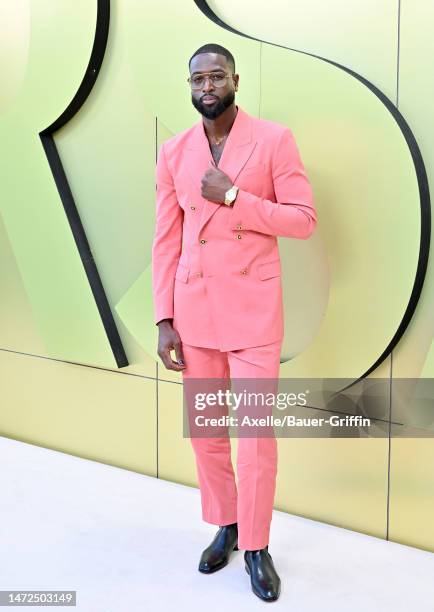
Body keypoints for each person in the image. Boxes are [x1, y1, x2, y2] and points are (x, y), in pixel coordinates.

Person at [151, 43, 317, 602]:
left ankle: (259, 545)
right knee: (207, 433)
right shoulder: (174, 152)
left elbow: (303, 221)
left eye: (216, 75)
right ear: (189, 83)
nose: (206, 84)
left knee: (254, 437)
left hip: (252, 313)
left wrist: (237, 196)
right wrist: (164, 317)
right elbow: (165, 241)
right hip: (193, 313)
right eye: (197, 76)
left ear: (235, 81)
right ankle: (227, 525)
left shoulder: (274, 140)